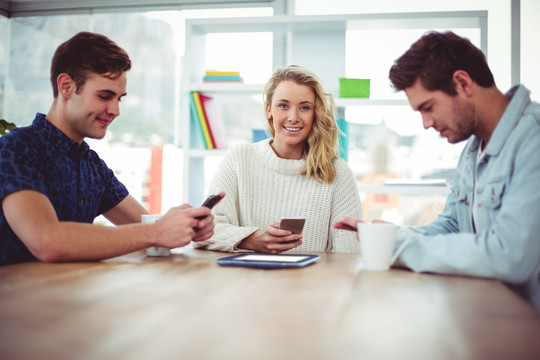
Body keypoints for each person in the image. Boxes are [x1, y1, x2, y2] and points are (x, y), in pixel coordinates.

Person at [334, 31, 540, 311]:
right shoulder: (472, 149)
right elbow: (452, 225)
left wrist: (400, 248)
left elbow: (511, 255)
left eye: (428, 107)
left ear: (463, 83)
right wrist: (393, 236)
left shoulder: (533, 140)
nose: (426, 123)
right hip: (490, 315)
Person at [0, 32, 217, 266]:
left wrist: (183, 224)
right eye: (104, 96)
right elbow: (47, 242)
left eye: (119, 99)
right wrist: (158, 232)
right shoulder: (17, 147)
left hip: (68, 295)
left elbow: (145, 230)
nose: (115, 110)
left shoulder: (93, 165)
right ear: (66, 86)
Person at [194, 65, 363, 254]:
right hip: (247, 280)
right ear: (269, 109)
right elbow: (204, 232)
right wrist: (250, 239)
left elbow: (349, 252)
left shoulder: (338, 172)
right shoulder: (239, 159)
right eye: (283, 106)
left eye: (304, 108)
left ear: (315, 113)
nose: (293, 117)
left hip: (313, 282)